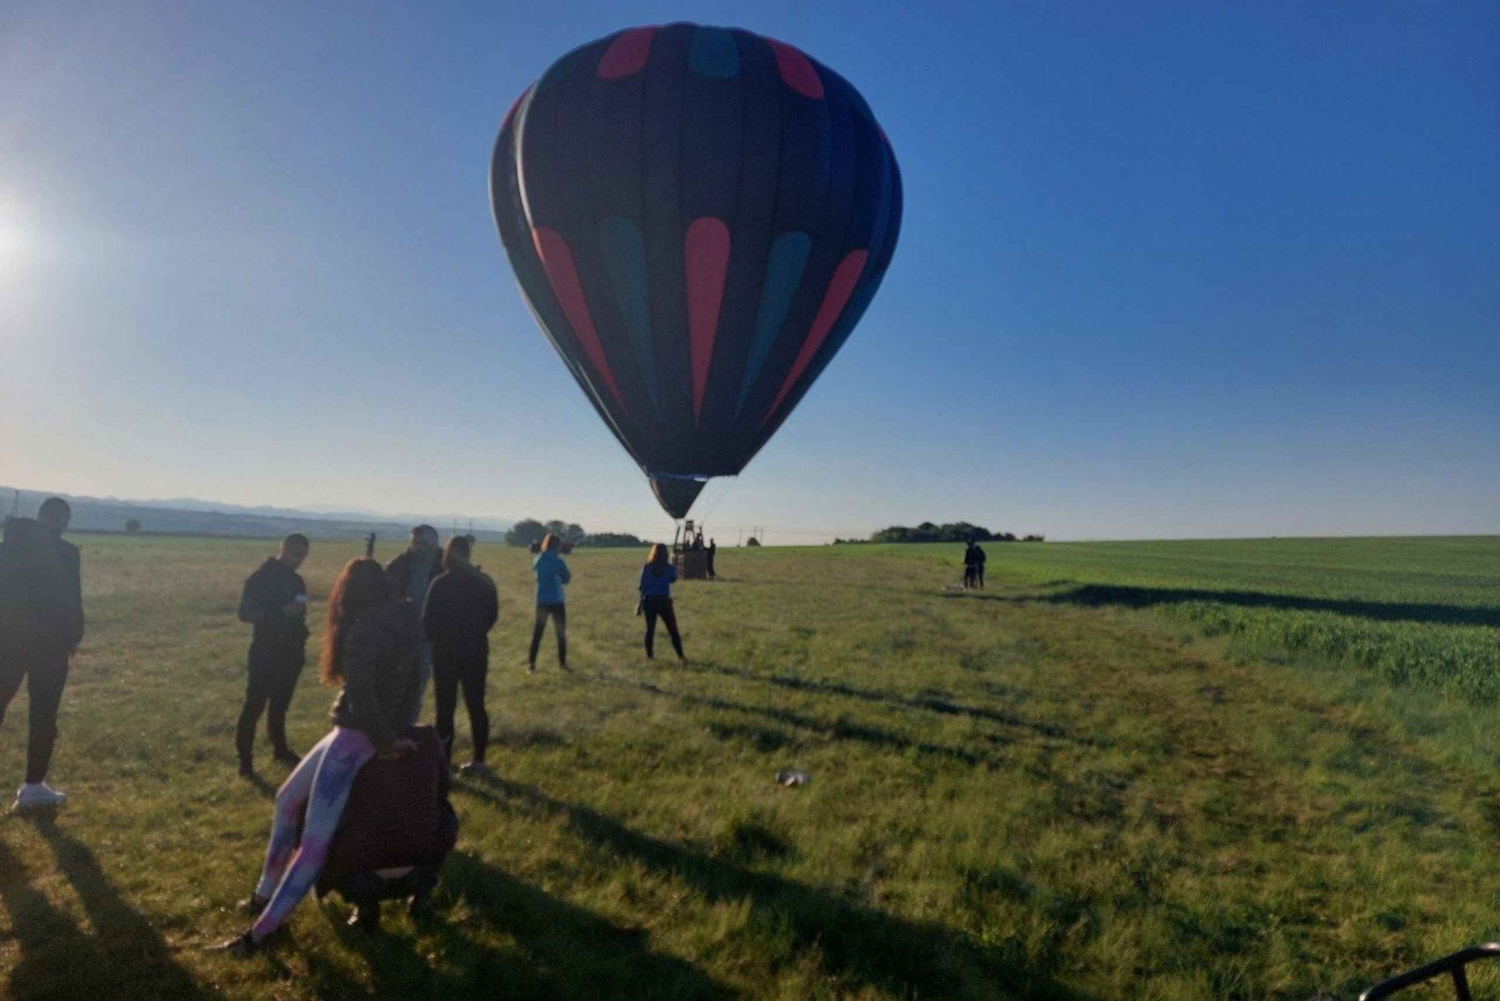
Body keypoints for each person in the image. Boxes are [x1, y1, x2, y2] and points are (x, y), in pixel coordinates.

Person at [213, 558, 423, 956]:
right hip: (355, 733)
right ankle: (263, 896)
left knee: (314, 841)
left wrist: (384, 741)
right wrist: (395, 733)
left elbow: (361, 691)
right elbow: (413, 684)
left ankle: (261, 935)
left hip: (355, 738)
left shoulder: (365, 627)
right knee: (287, 800)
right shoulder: (405, 618)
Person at [0, 498, 84, 812]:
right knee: (43, 715)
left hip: (7, 641)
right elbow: (70, 597)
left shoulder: (6, 547)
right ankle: (33, 786)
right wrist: (73, 635)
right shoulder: (66, 553)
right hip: (50, 646)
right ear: (62, 520)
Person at [234, 534, 311, 775]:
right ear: (284, 549)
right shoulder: (260, 578)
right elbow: (244, 613)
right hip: (265, 651)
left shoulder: (297, 581)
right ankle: (245, 760)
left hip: (291, 651)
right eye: (296, 554)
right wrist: (280, 613)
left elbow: (299, 612)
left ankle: (280, 748)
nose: (299, 560)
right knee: (254, 704)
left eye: (303, 556)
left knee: (280, 704)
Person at [422, 536, 498, 772]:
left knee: (445, 709)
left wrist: (439, 640)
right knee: (477, 706)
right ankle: (479, 760)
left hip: (445, 653)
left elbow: (427, 620)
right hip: (475, 650)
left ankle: (443, 761)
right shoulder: (484, 581)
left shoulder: (439, 583)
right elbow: (492, 615)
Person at [385, 525, 442, 723]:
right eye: (421, 543)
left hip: (434, 637)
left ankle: (408, 728)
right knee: (399, 687)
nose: (426, 549)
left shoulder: (442, 565)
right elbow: (384, 602)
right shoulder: (397, 566)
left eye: (431, 544)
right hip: (402, 638)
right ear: (411, 543)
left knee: (419, 686)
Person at [527, 534, 570, 673]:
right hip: (557, 600)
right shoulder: (558, 561)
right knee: (560, 633)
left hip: (541, 600)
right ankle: (562, 664)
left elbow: (537, 575)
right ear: (557, 545)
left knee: (537, 633)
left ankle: (531, 664)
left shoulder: (538, 559)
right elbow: (566, 578)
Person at [638, 544, 685, 662]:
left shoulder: (647, 567)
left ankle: (650, 656)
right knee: (673, 630)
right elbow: (673, 579)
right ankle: (680, 656)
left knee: (650, 629)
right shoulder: (668, 568)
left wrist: (641, 601)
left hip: (649, 600)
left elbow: (642, 586)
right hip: (664, 600)